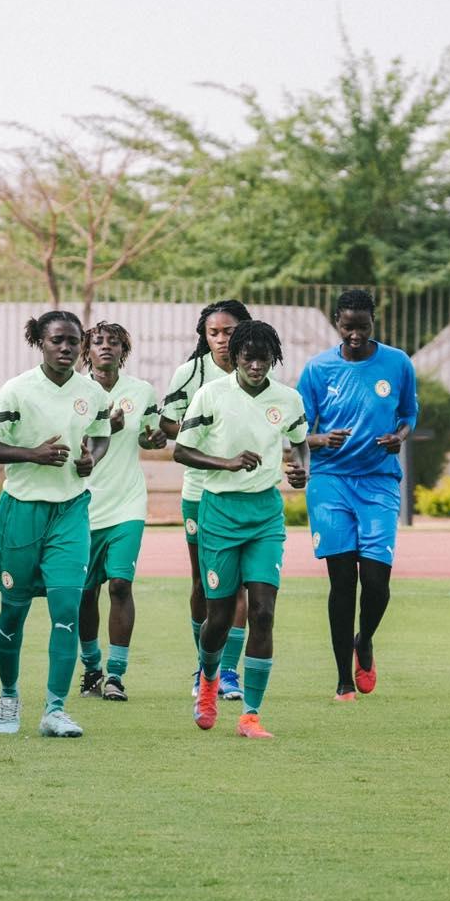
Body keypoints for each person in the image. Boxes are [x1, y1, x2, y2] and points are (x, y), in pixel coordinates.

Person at [0, 310, 110, 739]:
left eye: (73, 341)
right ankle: (9, 695)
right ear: (41, 342)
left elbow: (102, 433)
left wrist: (93, 457)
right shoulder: (18, 389)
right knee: (12, 612)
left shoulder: (92, 392)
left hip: (70, 511)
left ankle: (55, 709)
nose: (66, 348)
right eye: (57, 341)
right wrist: (31, 454)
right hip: (22, 512)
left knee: (67, 609)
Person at [173, 320, 308, 739]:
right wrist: (226, 462)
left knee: (263, 612)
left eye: (262, 358)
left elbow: (300, 439)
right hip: (219, 512)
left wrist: (301, 467)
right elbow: (181, 450)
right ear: (234, 356)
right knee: (218, 614)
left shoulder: (286, 398)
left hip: (265, 514)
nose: (254, 365)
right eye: (247, 357)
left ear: (273, 358)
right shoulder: (210, 394)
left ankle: (250, 714)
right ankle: (209, 682)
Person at [296, 289, 418, 701]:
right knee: (343, 580)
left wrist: (398, 437)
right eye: (347, 326)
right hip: (330, 482)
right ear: (336, 322)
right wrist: (320, 439)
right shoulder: (317, 369)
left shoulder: (397, 363)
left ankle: (363, 640)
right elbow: (297, 431)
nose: (354, 334)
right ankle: (343, 680)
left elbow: (408, 415)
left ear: (372, 323)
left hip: (379, 481)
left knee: (378, 582)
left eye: (362, 327)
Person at [159, 300, 254, 701]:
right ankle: (205, 664)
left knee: (240, 587)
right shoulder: (191, 373)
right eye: (213, 333)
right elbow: (167, 424)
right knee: (205, 582)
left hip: (244, 494)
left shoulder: (258, 368)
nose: (220, 340)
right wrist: (195, 429)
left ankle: (228, 671)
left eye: (228, 331)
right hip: (200, 492)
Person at [75, 321, 164, 703]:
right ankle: (91, 666)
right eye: (98, 341)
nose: (106, 347)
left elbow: (150, 433)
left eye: (113, 342)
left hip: (127, 502)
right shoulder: (74, 391)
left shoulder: (140, 391)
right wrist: (101, 428)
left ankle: (116, 674)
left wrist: (153, 436)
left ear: (123, 350)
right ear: (87, 350)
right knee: (84, 593)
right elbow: (68, 437)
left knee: (120, 585)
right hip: (82, 503)